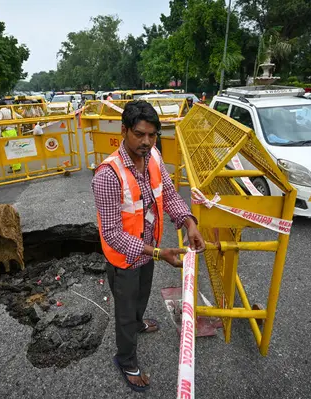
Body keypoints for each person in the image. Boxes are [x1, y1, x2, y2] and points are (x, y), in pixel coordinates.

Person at [91, 100, 205, 392]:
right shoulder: (107, 175)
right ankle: (126, 360)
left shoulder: (153, 156)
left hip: (149, 252)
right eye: (139, 134)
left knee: (141, 297)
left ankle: (139, 322)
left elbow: (168, 192)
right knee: (125, 312)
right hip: (125, 258)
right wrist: (159, 252)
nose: (146, 142)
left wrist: (188, 221)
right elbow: (114, 233)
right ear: (124, 131)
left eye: (152, 135)